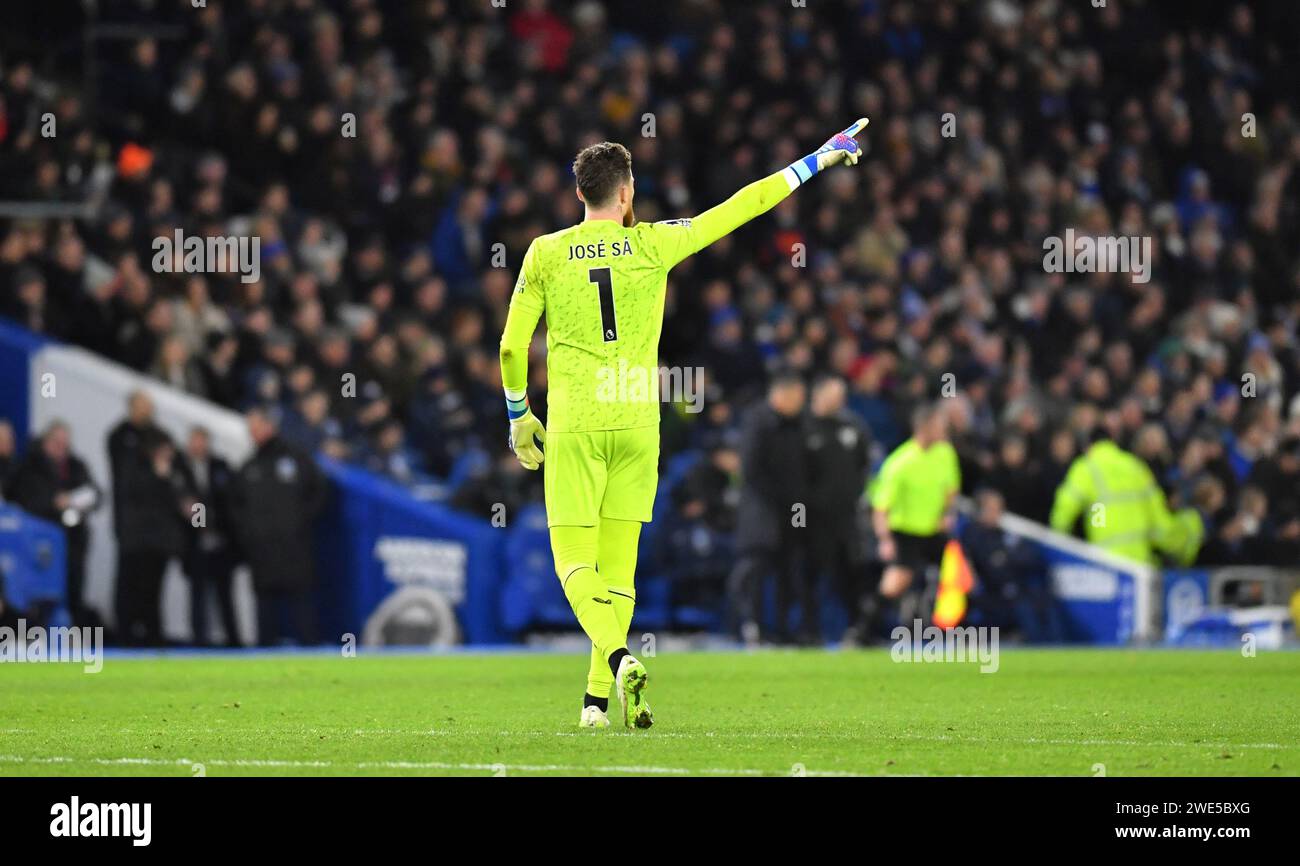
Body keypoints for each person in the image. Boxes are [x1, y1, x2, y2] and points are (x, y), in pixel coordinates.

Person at [497, 120, 869, 728]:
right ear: (626, 194)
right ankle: (595, 705)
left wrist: (518, 416)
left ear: (580, 195)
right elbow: (741, 206)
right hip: (639, 424)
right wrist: (817, 159)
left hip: (577, 424)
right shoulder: (653, 244)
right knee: (619, 575)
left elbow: (513, 350)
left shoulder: (545, 253)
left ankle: (618, 661)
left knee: (573, 564)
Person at [232, 405, 326, 647]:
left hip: (295, 548)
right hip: (262, 552)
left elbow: (319, 490)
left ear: (269, 426)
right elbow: (235, 506)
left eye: (256, 427)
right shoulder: (248, 467)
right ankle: (265, 663)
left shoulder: (295, 457)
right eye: (250, 428)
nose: (252, 433)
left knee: (303, 609)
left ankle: (312, 659)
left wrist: (301, 521)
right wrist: (250, 534)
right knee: (265, 613)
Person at [729, 372, 812, 646]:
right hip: (761, 513)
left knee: (788, 572)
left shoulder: (798, 424)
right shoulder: (757, 421)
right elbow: (751, 469)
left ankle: (781, 629)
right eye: (797, 397)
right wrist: (781, 497)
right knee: (753, 569)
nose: (801, 403)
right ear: (782, 394)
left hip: (790, 514)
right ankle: (748, 626)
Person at [868, 402, 961, 633]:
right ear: (924, 428)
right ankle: (863, 630)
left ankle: (940, 630)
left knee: (951, 579)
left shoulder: (945, 453)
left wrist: (948, 514)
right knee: (895, 583)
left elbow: (951, 490)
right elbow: (880, 507)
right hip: (906, 532)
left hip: (935, 531)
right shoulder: (900, 463)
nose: (943, 431)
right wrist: (885, 540)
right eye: (939, 426)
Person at [1049, 427, 1202, 566]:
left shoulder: (1086, 466)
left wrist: (1058, 544)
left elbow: (1066, 507)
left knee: (1096, 507)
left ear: (1087, 447)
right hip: (1140, 562)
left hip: (1106, 560)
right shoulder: (1135, 466)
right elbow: (1158, 518)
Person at [7, 420, 101, 626]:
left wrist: (73, 501)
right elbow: (27, 500)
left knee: (73, 592)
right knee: (41, 596)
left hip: (74, 542)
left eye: (65, 444)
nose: (61, 448)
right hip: (39, 546)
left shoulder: (76, 465)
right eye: (56, 443)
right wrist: (54, 503)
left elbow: (97, 495)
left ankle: (73, 645)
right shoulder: (29, 466)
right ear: (45, 442)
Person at [805, 375, 873, 646]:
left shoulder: (853, 426)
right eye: (834, 395)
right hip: (813, 518)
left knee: (853, 572)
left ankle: (858, 631)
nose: (840, 401)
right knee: (812, 574)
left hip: (847, 515)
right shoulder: (803, 426)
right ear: (818, 394)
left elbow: (864, 463)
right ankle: (809, 632)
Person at [114, 432, 189, 646]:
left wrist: (200, 523)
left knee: (154, 593)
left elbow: (191, 501)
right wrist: (158, 477)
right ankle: (130, 637)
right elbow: (135, 498)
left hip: (163, 545)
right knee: (135, 592)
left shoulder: (176, 473)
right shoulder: (137, 469)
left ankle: (153, 637)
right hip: (139, 544)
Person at [178, 426, 242, 647]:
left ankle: (233, 640)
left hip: (221, 541)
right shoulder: (180, 468)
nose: (198, 446)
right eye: (194, 441)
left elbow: (231, 500)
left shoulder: (220, 466)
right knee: (198, 594)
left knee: (225, 595)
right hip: (194, 542)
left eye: (202, 441)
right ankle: (199, 641)